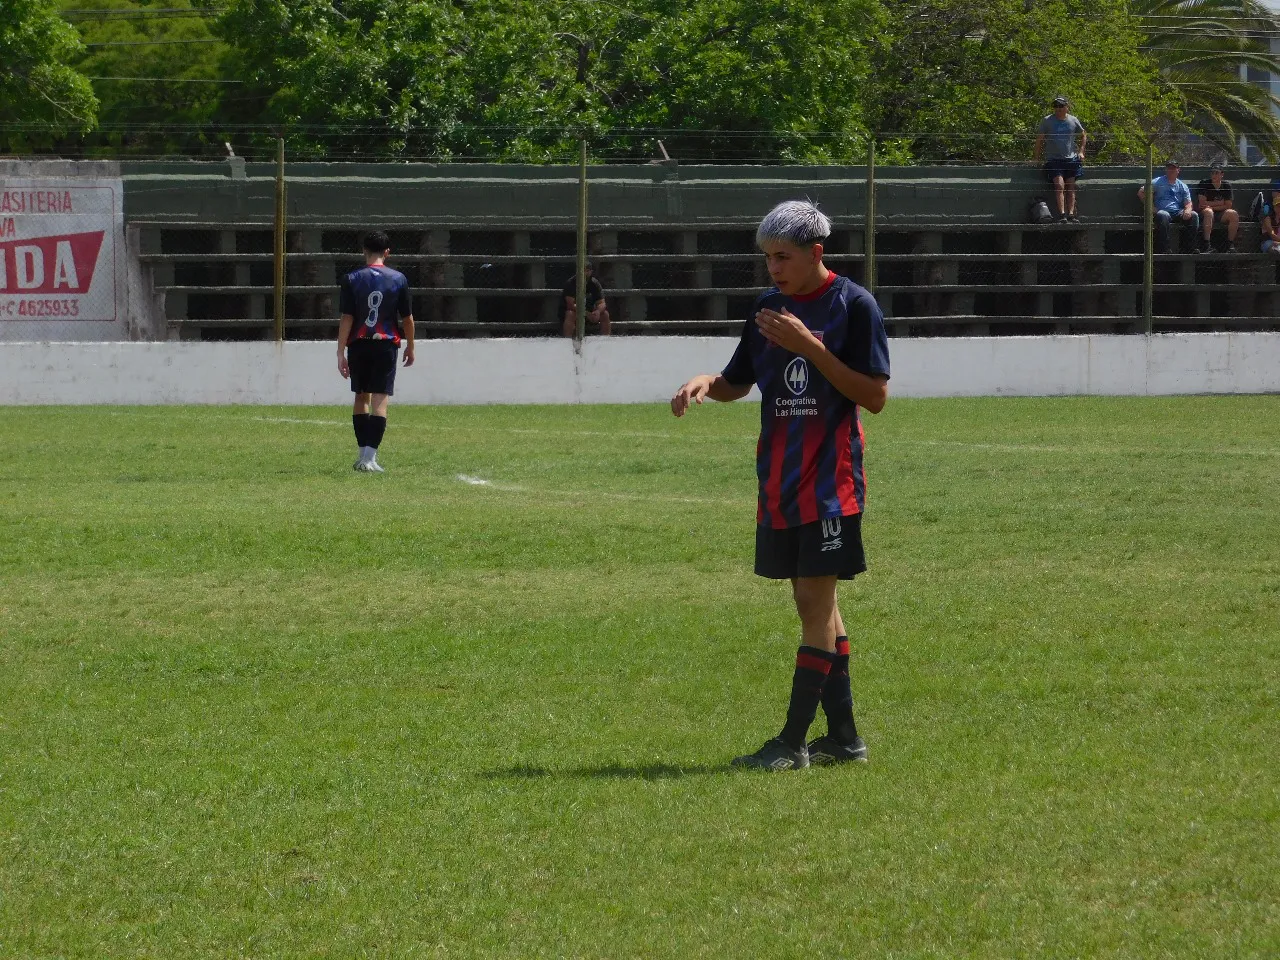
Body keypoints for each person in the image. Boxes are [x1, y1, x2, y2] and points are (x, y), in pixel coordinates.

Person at [670, 200, 890, 771]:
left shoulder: (854, 305)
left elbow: (874, 396)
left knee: (813, 605)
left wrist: (810, 348)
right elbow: (738, 383)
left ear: (817, 252)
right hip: (779, 483)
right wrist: (703, 382)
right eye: (768, 258)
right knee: (817, 607)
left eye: (783, 257)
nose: (774, 269)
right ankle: (844, 740)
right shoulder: (767, 309)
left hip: (831, 485)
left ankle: (792, 743)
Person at [337, 230, 415, 473]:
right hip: (385, 344)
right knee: (381, 397)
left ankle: (362, 456)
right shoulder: (398, 279)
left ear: (364, 251)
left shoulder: (351, 278)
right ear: (387, 253)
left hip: (359, 343)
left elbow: (347, 318)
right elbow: (408, 318)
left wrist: (340, 351)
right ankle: (370, 458)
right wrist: (411, 345)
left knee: (361, 396)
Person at [1033, 96, 1087, 223]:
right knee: (1059, 185)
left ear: (1066, 107)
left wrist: (1081, 151)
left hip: (1071, 159)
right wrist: (1036, 158)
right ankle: (1062, 214)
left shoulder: (1073, 120)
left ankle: (1071, 215)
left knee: (1071, 186)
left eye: (1061, 106)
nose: (1058, 109)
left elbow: (1083, 135)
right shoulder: (1047, 121)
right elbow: (1039, 140)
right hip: (1053, 159)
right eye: (1056, 107)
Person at [1139, 160, 1200, 254]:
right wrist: (1151, 207)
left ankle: (1191, 248)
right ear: (1166, 170)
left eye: (1173, 168)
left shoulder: (1182, 186)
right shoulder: (1157, 182)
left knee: (1194, 215)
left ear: (1178, 170)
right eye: (1169, 168)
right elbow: (1141, 193)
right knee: (1162, 215)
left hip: (1177, 212)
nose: (1171, 170)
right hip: (1162, 211)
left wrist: (1187, 210)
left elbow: (1188, 203)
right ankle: (1165, 249)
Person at [1196, 161, 1238, 253]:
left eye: (1216, 173)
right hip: (1205, 213)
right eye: (1212, 173)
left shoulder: (1226, 185)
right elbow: (1202, 203)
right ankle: (1207, 244)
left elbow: (1228, 205)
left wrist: (1211, 205)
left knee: (1233, 214)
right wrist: (1219, 203)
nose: (1213, 175)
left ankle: (1230, 244)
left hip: (1220, 214)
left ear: (1222, 174)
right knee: (1208, 212)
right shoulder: (1204, 183)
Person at [561, 263, 611, 337]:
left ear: (591, 272)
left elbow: (602, 303)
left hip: (590, 312)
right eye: (583, 271)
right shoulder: (571, 283)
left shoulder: (595, 283)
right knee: (570, 314)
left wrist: (597, 311)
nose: (585, 273)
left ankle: (606, 340)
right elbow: (570, 305)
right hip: (576, 312)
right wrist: (586, 313)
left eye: (587, 271)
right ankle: (567, 340)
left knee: (605, 314)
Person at [1259, 182, 1280, 255]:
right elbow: (1271, 233)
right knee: (1277, 250)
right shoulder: (1268, 216)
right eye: (1278, 206)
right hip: (1269, 241)